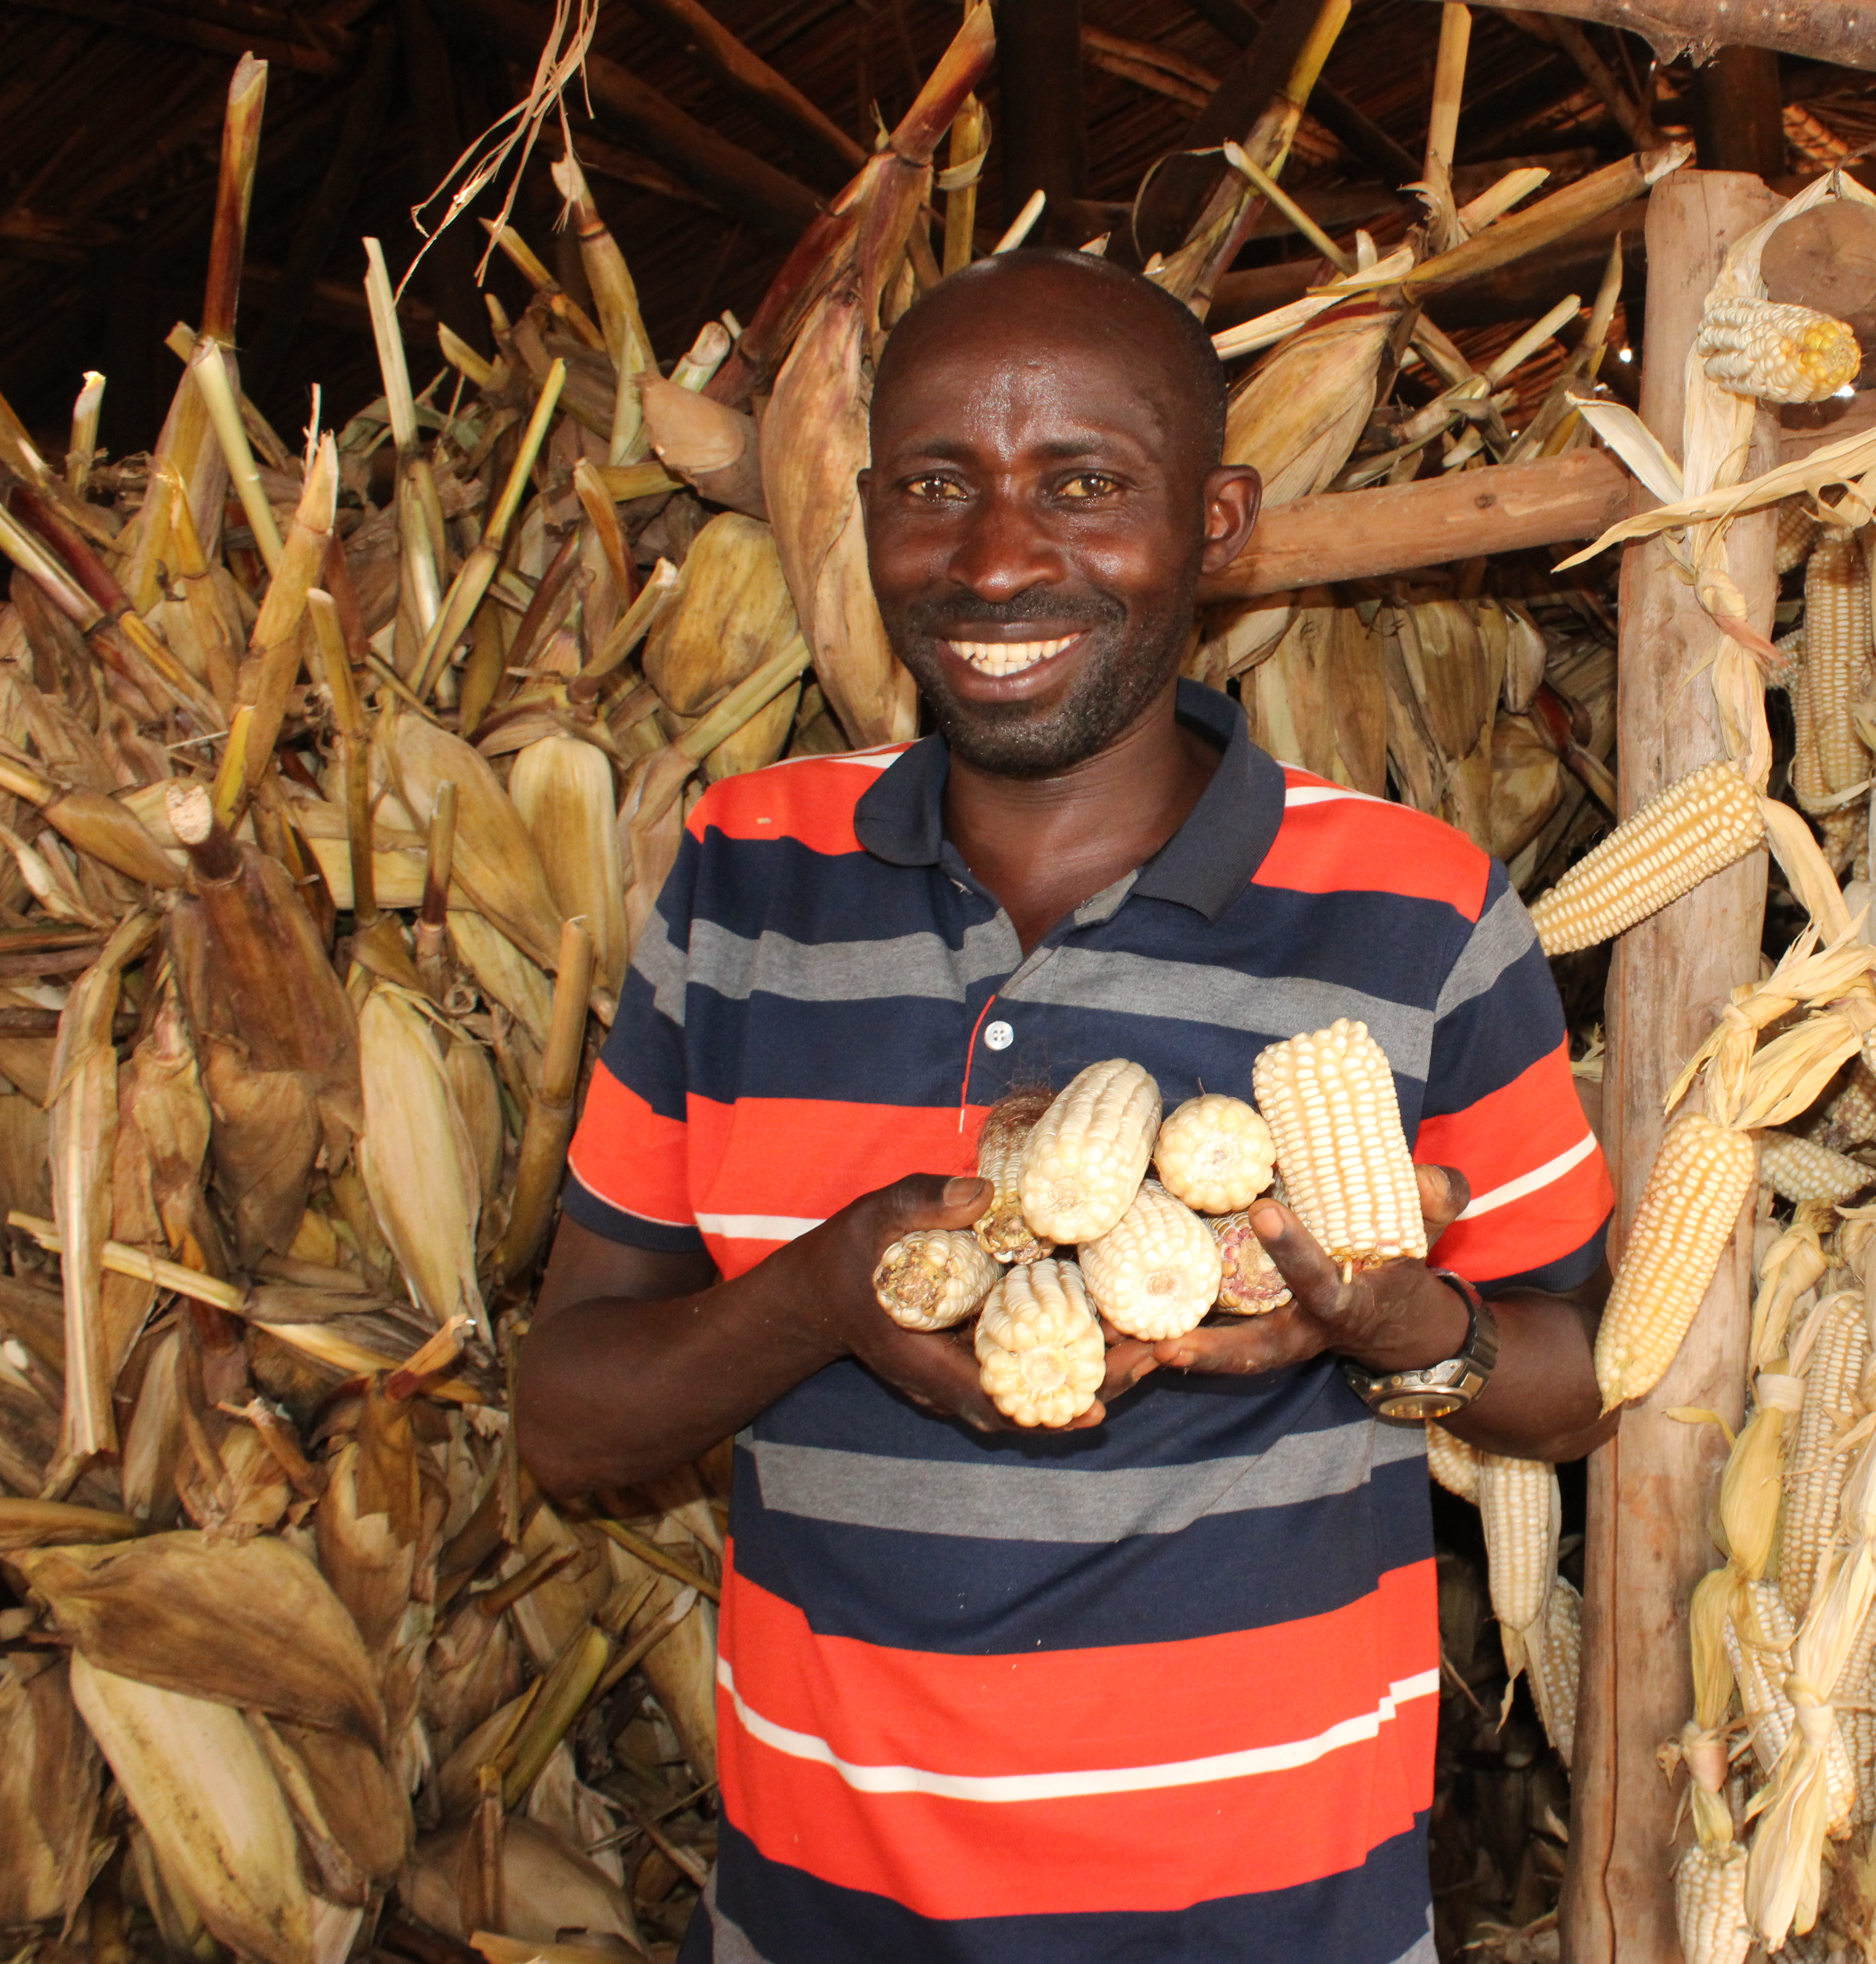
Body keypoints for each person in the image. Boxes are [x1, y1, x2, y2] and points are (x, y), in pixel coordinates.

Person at [519, 248, 1620, 1964]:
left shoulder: (1418, 913)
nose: (997, 559)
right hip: (827, 1921)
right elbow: (570, 1421)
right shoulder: (749, 876)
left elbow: (1575, 1379)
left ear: (1221, 522)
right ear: (862, 511)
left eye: (1086, 486)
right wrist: (826, 1302)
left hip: (1282, 1924)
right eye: (934, 487)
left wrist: (1397, 1326)